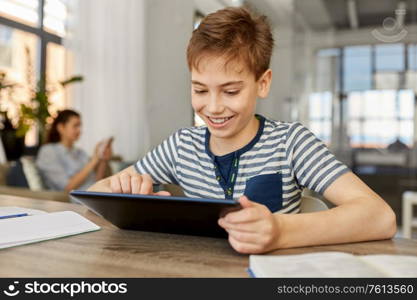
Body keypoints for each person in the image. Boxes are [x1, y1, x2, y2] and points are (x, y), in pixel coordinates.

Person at [88, 7, 396, 253]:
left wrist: (280, 231)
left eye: (231, 91)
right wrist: (126, 188)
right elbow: (93, 195)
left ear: (263, 83)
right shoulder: (182, 145)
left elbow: (380, 216)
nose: (213, 107)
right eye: (200, 90)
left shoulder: (290, 143)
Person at [37, 109, 112, 192]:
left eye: (80, 126)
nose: (79, 130)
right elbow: (66, 187)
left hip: (95, 194)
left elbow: (96, 182)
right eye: (75, 126)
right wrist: (94, 160)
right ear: (61, 127)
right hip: (77, 199)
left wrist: (103, 160)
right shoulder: (48, 151)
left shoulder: (81, 152)